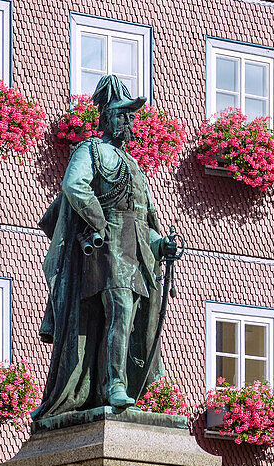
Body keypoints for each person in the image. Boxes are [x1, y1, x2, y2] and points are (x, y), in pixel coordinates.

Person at [33, 75, 179, 419]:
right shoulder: (91, 150)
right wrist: (98, 221)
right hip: (105, 249)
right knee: (121, 309)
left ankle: (113, 382)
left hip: (135, 251)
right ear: (105, 117)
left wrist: (162, 246)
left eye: (131, 115)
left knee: (130, 321)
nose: (128, 121)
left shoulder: (134, 166)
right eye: (121, 113)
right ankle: (115, 384)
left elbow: (143, 220)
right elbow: (75, 184)